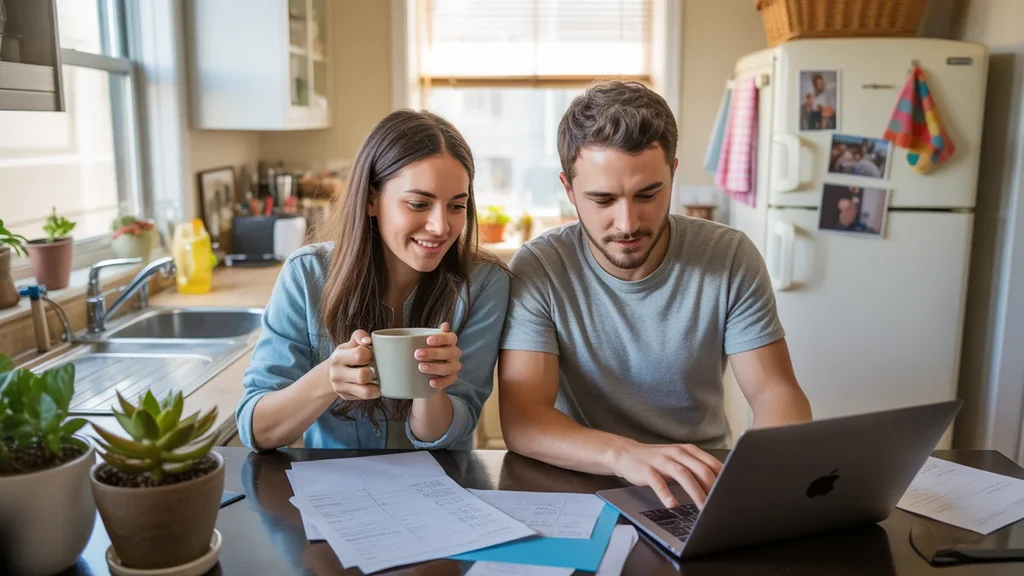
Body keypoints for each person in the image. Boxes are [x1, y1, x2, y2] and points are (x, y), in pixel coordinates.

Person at [499, 81, 812, 510]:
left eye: (647, 194)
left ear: (672, 174)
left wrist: (762, 471)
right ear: (568, 189)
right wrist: (625, 455)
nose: (627, 223)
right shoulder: (540, 267)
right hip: (580, 478)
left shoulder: (729, 256)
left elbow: (776, 392)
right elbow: (524, 419)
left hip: (698, 481)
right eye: (602, 200)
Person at [236, 109, 509, 452]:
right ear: (370, 200)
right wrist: (327, 379)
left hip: (437, 481)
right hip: (333, 482)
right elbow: (258, 431)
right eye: (418, 204)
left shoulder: (484, 284)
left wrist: (431, 386)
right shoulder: (307, 274)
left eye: (456, 206)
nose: (441, 226)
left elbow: (450, 434)